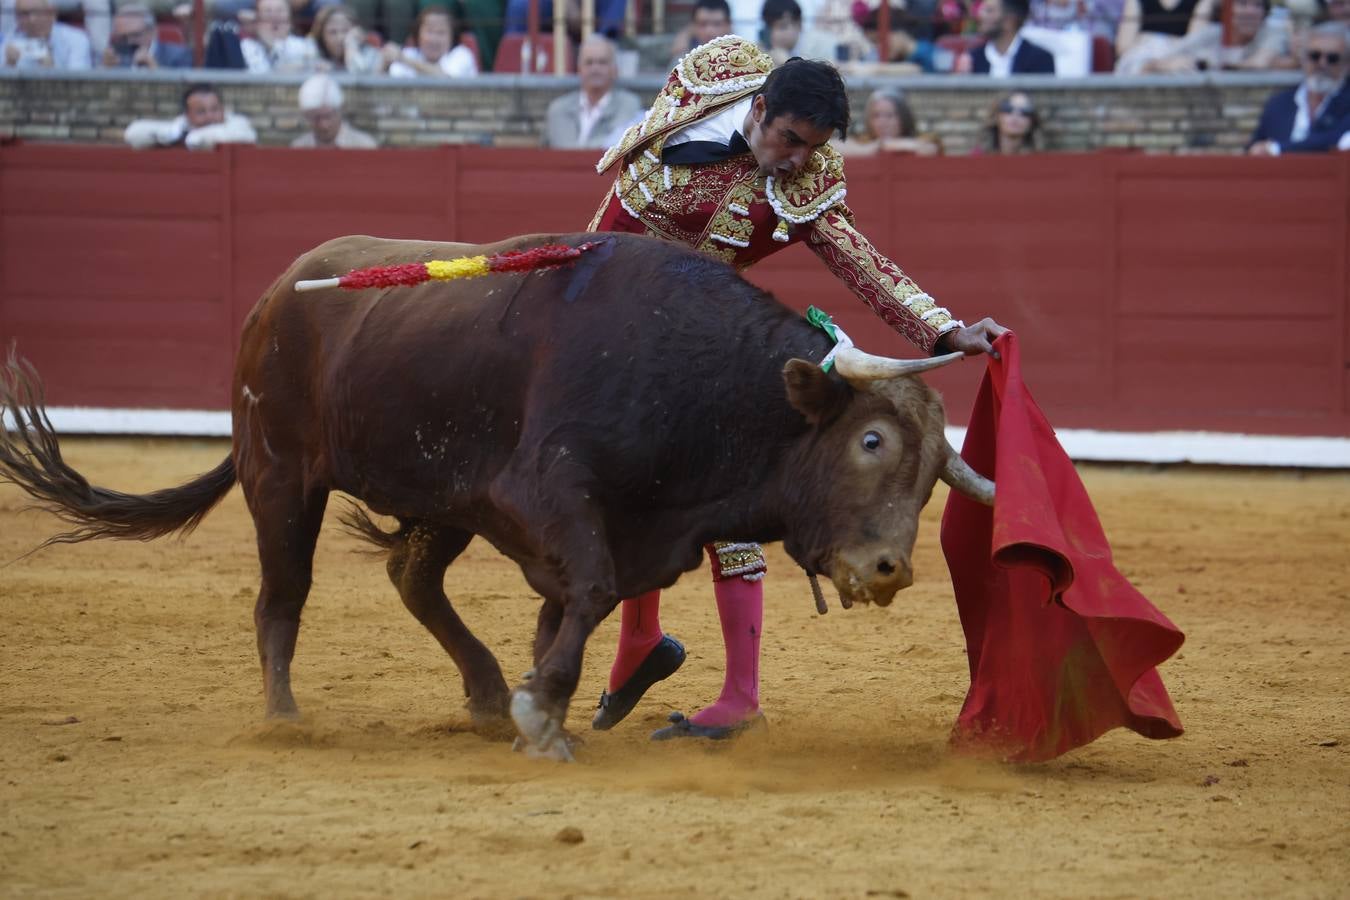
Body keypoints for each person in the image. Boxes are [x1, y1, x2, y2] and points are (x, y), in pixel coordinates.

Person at [586, 35, 1007, 741]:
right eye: (787, 139)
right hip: (599, 311)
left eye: (811, 148)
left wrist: (944, 330)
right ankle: (640, 645)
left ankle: (741, 694)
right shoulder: (711, 68)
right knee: (617, 485)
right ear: (757, 107)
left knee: (722, 496)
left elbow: (862, 264)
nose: (795, 159)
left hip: (694, 343)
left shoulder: (808, 183)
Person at [1249, 21, 1350, 154]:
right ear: (1303, 59)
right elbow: (1255, 148)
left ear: (1347, 64)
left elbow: (1334, 140)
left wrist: (1277, 149)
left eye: (1332, 58)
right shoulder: (1279, 103)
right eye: (1314, 56)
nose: (1322, 64)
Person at [544, 35, 642, 149]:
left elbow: (617, 144)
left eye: (602, 62)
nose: (595, 69)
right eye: (589, 62)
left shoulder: (629, 104)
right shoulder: (558, 109)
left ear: (615, 69)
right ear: (579, 69)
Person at [1137, 0, 1283, 71]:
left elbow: (1258, 64)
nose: (1250, 12)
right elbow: (1158, 61)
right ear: (1226, 10)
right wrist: (1164, 65)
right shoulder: (1212, 34)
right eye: (1243, 4)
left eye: (1258, 5)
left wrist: (1206, 64)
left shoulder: (1272, 32)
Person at [124, 82, 258, 150]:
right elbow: (132, 134)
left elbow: (247, 136)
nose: (210, 116)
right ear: (187, 115)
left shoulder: (237, 124)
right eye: (201, 112)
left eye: (215, 109)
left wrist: (195, 137)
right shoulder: (179, 127)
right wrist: (169, 134)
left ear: (223, 109)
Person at [956, 0, 1057, 74]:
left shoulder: (1039, 59)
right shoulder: (973, 59)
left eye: (989, 11)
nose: (981, 15)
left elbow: (1043, 100)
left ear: (1009, 21)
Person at [1113, 0, 1209, 73]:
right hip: (1142, 64)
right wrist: (1157, 65)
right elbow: (1123, 47)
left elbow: (1193, 45)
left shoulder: (1201, 2)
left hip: (1178, 65)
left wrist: (1148, 38)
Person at [839, 88, 942, 155]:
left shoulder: (924, 139)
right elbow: (833, 149)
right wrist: (876, 146)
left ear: (903, 117)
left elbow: (930, 149)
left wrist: (893, 145)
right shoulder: (864, 141)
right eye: (876, 116)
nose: (883, 122)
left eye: (889, 115)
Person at [388, 4, 477, 76]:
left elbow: (447, 80)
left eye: (441, 32)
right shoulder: (409, 54)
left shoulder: (462, 54)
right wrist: (384, 62)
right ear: (418, 34)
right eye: (429, 31)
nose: (434, 39)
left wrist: (404, 60)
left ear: (452, 37)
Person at [292, 73, 378, 148]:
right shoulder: (299, 146)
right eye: (316, 118)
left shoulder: (363, 145)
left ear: (340, 110)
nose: (324, 125)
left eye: (328, 116)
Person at [0, 0, 91, 69]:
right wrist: (9, 65)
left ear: (52, 13)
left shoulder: (77, 39)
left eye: (37, 12)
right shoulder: (9, 41)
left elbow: (79, 84)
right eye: (24, 14)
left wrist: (51, 70)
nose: (32, 20)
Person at [101, 3, 192, 68]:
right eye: (122, 37)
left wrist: (155, 70)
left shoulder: (178, 56)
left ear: (152, 32)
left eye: (135, 35)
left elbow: (183, 91)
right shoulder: (115, 56)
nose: (129, 42)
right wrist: (105, 71)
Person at [241, 0, 318, 72]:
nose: (274, 16)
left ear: (290, 17)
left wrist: (274, 48)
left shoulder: (306, 46)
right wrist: (269, 46)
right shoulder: (245, 47)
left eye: (280, 10)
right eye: (268, 11)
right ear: (257, 18)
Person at [307, 3, 385, 73]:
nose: (340, 37)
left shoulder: (370, 54)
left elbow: (358, 77)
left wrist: (351, 44)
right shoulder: (312, 52)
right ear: (322, 35)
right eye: (332, 32)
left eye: (345, 31)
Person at [760, 0, 835, 63]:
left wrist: (787, 63)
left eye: (782, 27)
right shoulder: (765, 52)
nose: (775, 34)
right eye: (770, 28)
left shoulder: (824, 45)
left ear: (799, 24)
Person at [668, 0, 734, 65]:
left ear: (728, 26)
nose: (709, 31)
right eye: (703, 24)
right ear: (693, 26)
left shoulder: (740, 56)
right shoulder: (682, 60)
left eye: (717, 24)